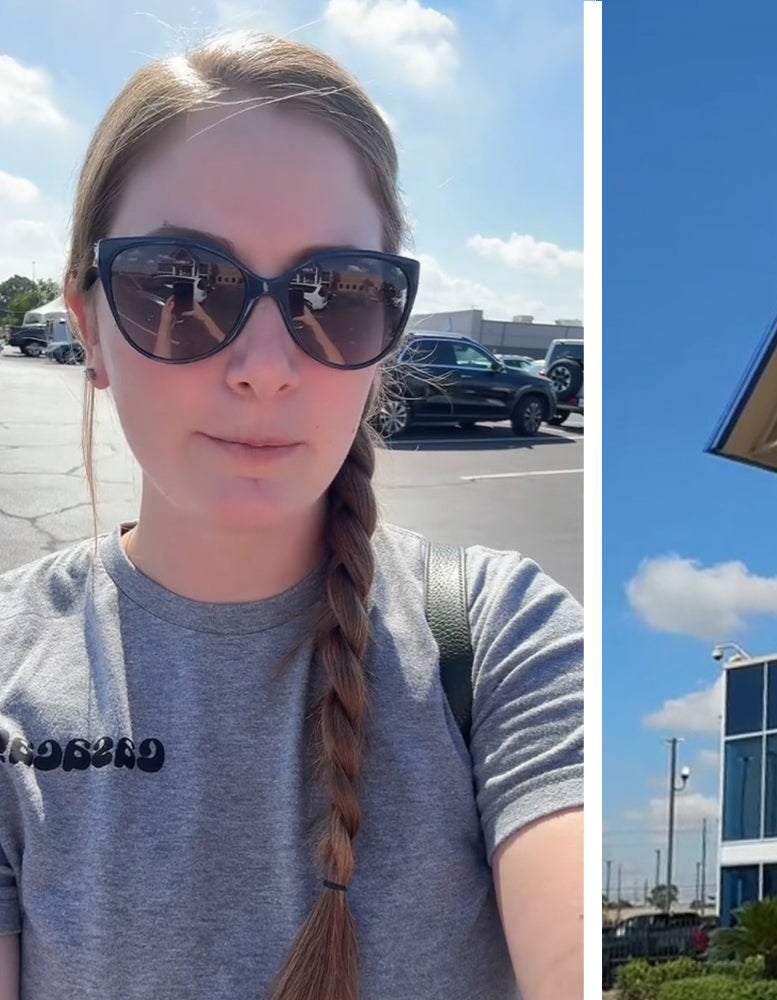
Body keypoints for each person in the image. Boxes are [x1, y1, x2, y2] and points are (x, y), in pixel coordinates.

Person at [0, 31, 583, 1000]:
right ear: (89, 324)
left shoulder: (502, 643)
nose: (265, 368)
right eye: (180, 285)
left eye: (338, 295)